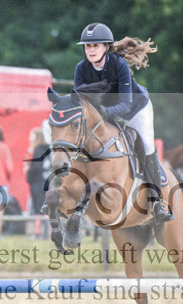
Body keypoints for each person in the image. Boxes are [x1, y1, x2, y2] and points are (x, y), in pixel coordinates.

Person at [73, 22, 172, 223]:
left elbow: (125, 105)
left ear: (106, 48)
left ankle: (157, 202)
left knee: (145, 145)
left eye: (96, 46)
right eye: (88, 46)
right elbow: (80, 104)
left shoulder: (118, 64)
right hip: (106, 115)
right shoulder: (81, 69)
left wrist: (103, 113)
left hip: (136, 109)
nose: (91, 50)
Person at [24, 127, 50, 239]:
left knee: (38, 208)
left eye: (32, 135)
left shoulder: (38, 149)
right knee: (42, 207)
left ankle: (38, 233)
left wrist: (28, 170)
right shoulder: (44, 149)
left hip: (38, 182)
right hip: (44, 182)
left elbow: (36, 167)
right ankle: (45, 233)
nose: (30, 138)